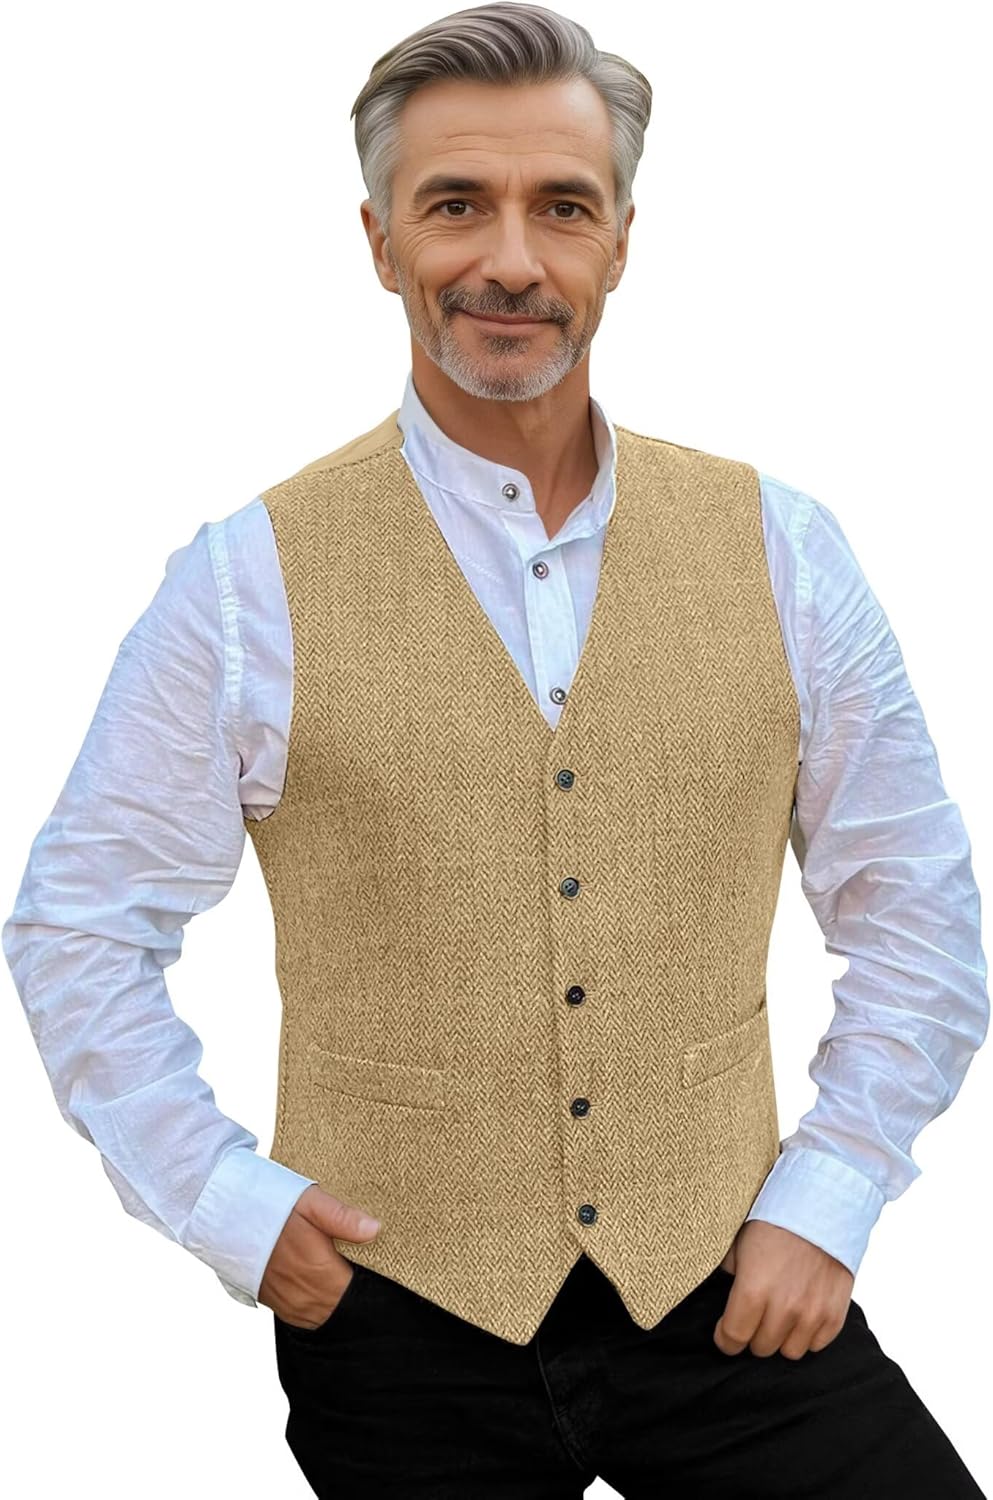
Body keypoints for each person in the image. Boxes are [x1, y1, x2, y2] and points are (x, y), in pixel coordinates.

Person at [3, 4, 988, 1496]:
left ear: (621, 243)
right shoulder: (245, 581)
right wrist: (224, 1205)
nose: (511, 260)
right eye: (456, 205)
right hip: (398, 1317)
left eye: (562, 208)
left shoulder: (784, 551)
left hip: (725, 1284)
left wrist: (831, 1193)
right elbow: (78, 921)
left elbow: (916, 907)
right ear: (379, 240)